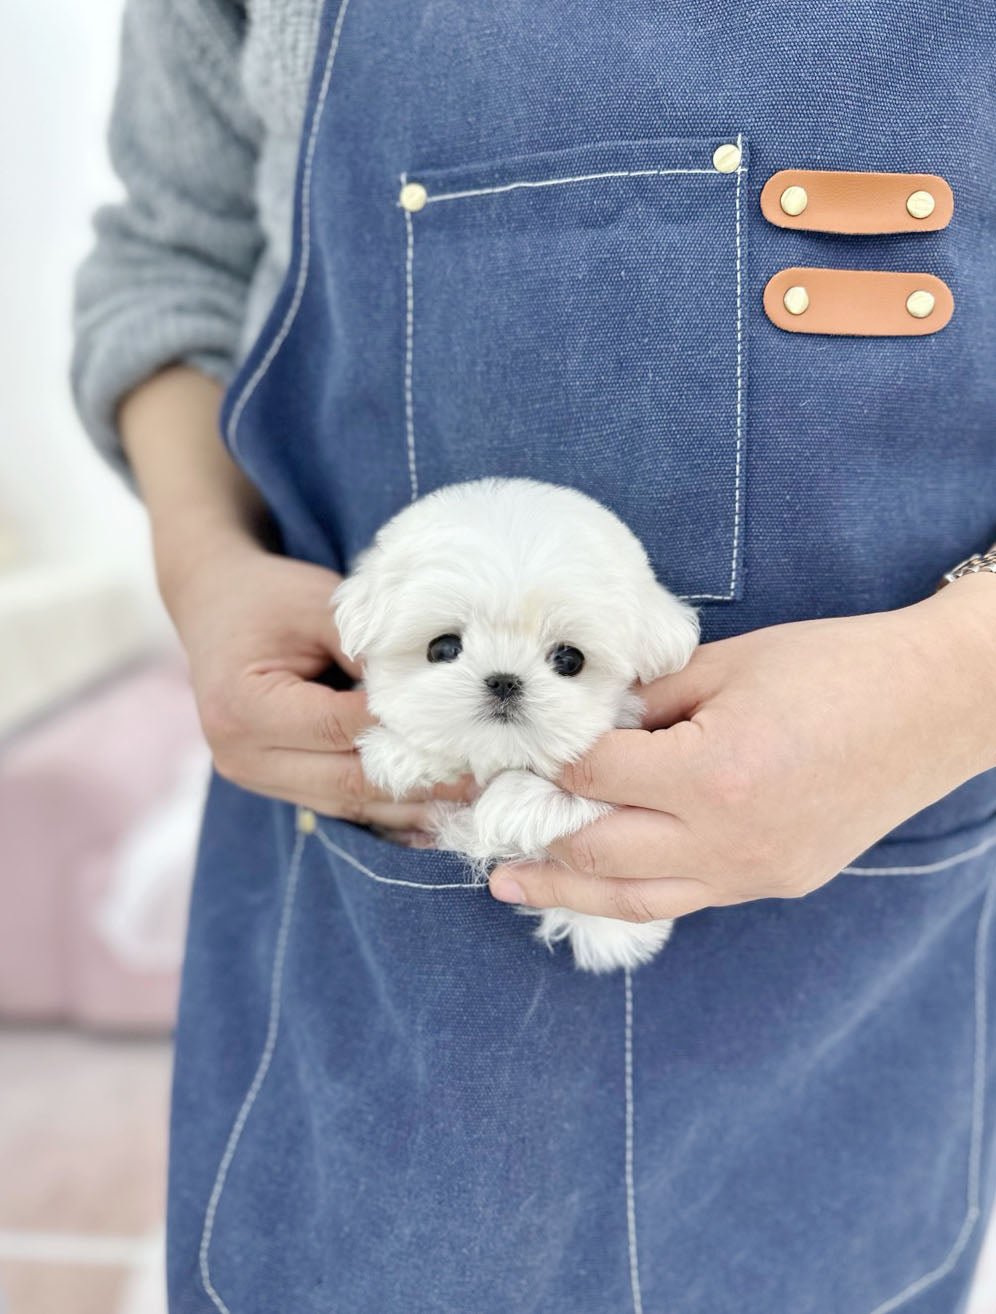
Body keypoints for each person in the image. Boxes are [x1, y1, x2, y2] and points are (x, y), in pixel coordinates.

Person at [72, 1, 996, 1310]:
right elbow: (174, 261)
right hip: (377, 955)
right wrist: (205, 566)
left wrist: (956, 684)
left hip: (871, 961)